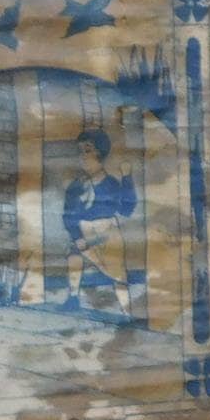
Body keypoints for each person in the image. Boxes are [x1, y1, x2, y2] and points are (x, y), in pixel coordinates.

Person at [60, 127, 138, 316]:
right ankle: (72, 298)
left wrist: (127, 178)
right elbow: (68, 214)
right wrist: (77, 236)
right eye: (80, 152)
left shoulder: (111, 184)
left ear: (100, 154)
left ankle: (127, 312)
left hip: (108, 231)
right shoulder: (76, 187)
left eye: (87, 151)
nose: (82, 157)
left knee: (118, 273)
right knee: (74, 254)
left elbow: (126, 209)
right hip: (84, 229)